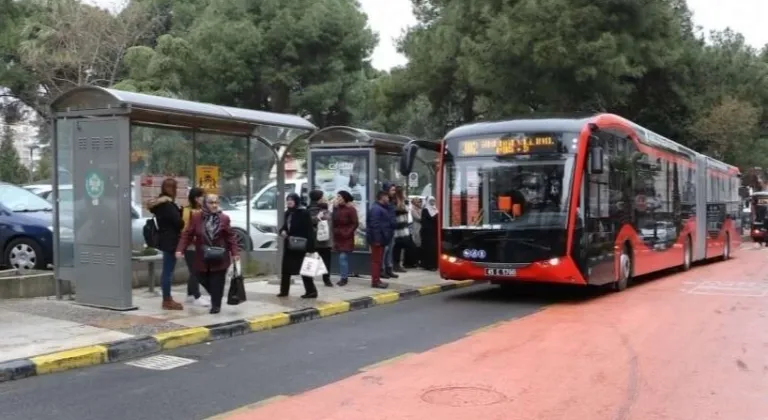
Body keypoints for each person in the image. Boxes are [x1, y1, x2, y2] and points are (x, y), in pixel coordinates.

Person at [175, 194, 239, 314]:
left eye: (216, 202)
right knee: (199, 276)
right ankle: (216, 295)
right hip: (202, 255)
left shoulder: (224, 218)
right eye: (211, 203)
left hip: (220, 255)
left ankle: (216, 305)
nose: (214, 205)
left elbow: (231, 237)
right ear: (205, 204)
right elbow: (187, 234)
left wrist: (235, 252)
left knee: (217, 280)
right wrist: (180, 249)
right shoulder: (196, 217)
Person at [147, 178, 184, 310]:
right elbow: (179, 223)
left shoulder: (159, 205)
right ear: (172, 189)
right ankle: (167, 300)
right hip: (171, 241)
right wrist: (180, 213)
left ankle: (167, 298)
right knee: (168, 271)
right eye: (175, 188)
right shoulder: (168, 205)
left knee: (167, 270)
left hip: (164, 239)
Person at [278, 192, 318, 298]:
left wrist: (310, 248)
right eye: (288, 199)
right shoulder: (287, 213)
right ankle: (284, 291)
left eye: (291, 199)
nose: (289, 201)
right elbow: (285, 227)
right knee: (285, 269)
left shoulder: (303, 213)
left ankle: (311, 291)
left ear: (296, 201)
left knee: (304, 268)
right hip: (289, 245)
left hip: (301, 246)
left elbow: (310, 230)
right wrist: (282, 231)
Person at [181, 187, 210, 307]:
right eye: (201, 196)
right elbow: (185, 229)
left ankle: (190, 295)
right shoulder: (188, 211)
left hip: (200, 244)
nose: (204, 199)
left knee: (194, 270)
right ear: (195, 198)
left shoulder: (201, 210)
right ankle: (196, 296)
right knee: (196, 271)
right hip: (191, 245)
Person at [366, 190, 393, 289]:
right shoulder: (376, 209)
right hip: (377, 240)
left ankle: (377, 280)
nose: (388, 199)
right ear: (382, 197)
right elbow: (374, 225)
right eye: (386, 197)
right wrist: (377, 240)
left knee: (378, 261)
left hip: (381, 239)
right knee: (376, 261)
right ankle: (375, 281)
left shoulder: (380, 208)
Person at [332, 190, 358, 286]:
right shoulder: (336, 208)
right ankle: (344, 276)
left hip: (346, 237)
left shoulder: (351, 209)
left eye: (339, 197)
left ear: (344, 198)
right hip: (338, 236)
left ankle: (344, 278)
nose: (337, 198)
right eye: (337, 196)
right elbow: (333, 221)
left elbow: (355, 223)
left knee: (343, 258)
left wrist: (347, 232)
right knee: (341, 257)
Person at [307, 190, 333, 287]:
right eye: (322, 196)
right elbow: (309, 221)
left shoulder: (322, 208)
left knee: (322, 259)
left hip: (319, 239)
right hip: (318, 239)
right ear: (319, 198)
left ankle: (322, 279)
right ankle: (323, 280)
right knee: (317, 259)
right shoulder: (311, 210)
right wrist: (318, 218)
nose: (324, 198)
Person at [380, 183, 399, 279]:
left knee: (390, 250)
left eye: (394, 190)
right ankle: (382, 269)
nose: (394, 192)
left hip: (391, 229)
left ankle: (389, 268)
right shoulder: (384, 203)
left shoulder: (392, 201)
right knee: (385, 250)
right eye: (392, 190)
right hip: (386, 230)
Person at [392, 186, 412, 272]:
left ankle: (398, 264)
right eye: (403, 192)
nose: (405, 194)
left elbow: (408, 209)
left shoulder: (404, 201)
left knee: (403, 245)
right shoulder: (395, 201)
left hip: (403, 225)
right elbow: (397, 210)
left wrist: (406, 203)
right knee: (398, 246)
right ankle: (395, 264)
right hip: (398, 226)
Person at [420, 196, 439, 270]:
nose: (432, 202)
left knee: (433, 248)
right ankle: (428, 265)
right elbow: (426, 221)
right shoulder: (425, 210)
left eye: (433, 201)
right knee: (429, 248)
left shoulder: (435, 209)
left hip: (433, 232)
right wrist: (435, 216)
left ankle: (434, 264)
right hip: (427, 233)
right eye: (431, 201)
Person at [409, 197, 423, 267]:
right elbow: (418, 218)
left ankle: (420, 259)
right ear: (414, 202)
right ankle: (416, 260)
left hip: (420, 227)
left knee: (420, 244)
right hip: (416, 227)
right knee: (417, 243)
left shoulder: (420, 209)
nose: (419, 203)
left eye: (419, 201)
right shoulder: (413, 209)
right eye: (417, 201)